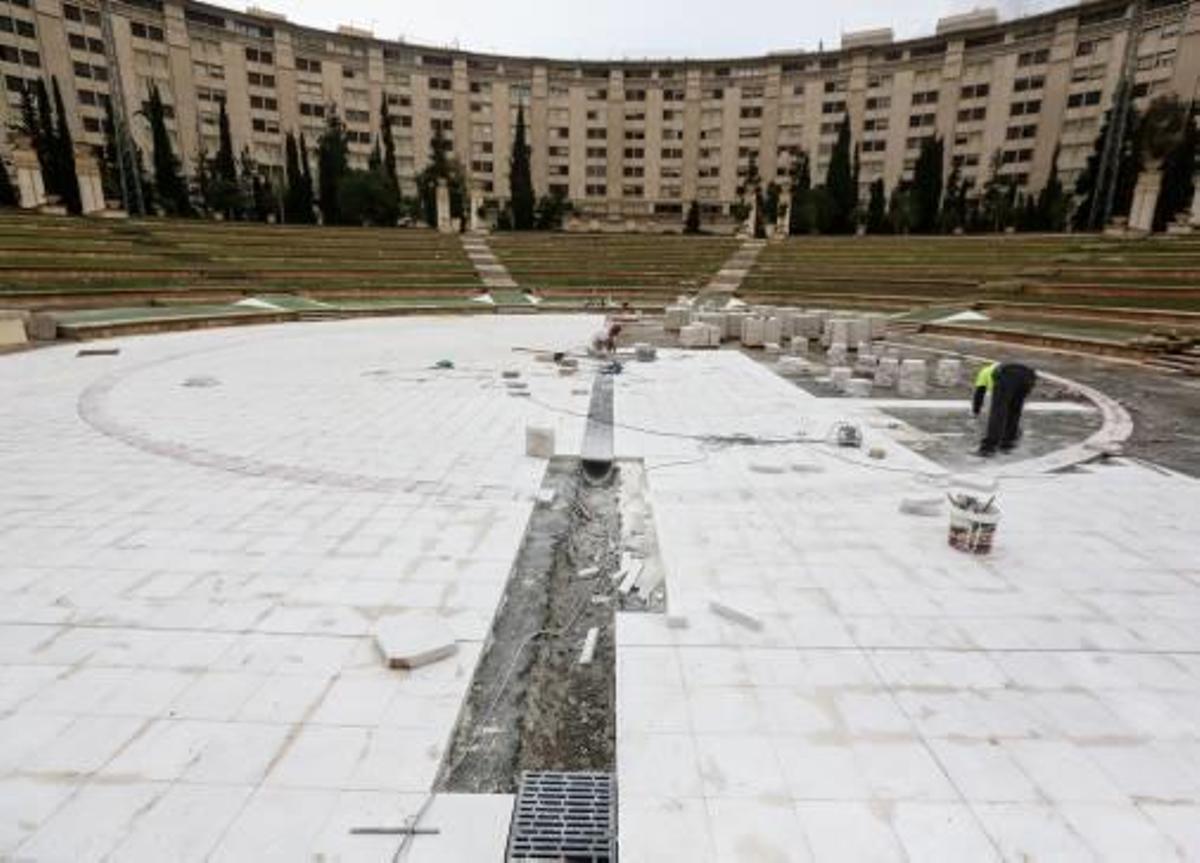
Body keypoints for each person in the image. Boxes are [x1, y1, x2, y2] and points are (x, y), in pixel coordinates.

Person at [972, 361, 1037, 456]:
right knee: (1014, 411)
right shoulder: (996, 367)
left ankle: (988, 448)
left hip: (1007, 374)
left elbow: (979, 393)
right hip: (1028, 376)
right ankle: (1008, 443)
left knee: (998, 412)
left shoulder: (984, 372)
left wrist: (976, 410)